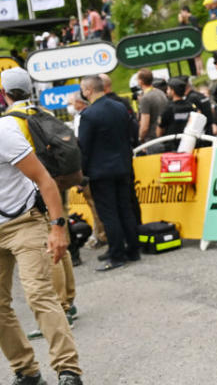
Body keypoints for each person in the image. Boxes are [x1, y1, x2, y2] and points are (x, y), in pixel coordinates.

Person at [0, 68, 84, 385]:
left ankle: (68, 370)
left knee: (38, 294)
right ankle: (26, 371)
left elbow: (44, 180)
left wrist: (57, 227)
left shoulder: (5, 130)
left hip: (23, 222)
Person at [77, 75, 140, 274]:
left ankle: (116, 255)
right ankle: (132, 250)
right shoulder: (119, 107)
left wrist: (81, 176)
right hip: (123, 167)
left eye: (82, 89)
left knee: (109, 214)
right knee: (125, 209)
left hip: (101, 172)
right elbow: (131, 133)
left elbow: (84, 148)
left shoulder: (89, 115)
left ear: (88, 90)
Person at [157, 78, 200, 151]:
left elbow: (159, 132)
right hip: (190, 146)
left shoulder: (168, 109)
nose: (167, 92)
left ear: (172, 91)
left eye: (168, 89)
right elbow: (198, 118)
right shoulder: (191, 106)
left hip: (172, 147)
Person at [136, 69, 168, 153]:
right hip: (165, 137)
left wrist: (140, 139)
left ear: (140, 81)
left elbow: (144, 126)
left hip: (152, 141)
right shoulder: (161, 92)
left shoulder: (145, 99)